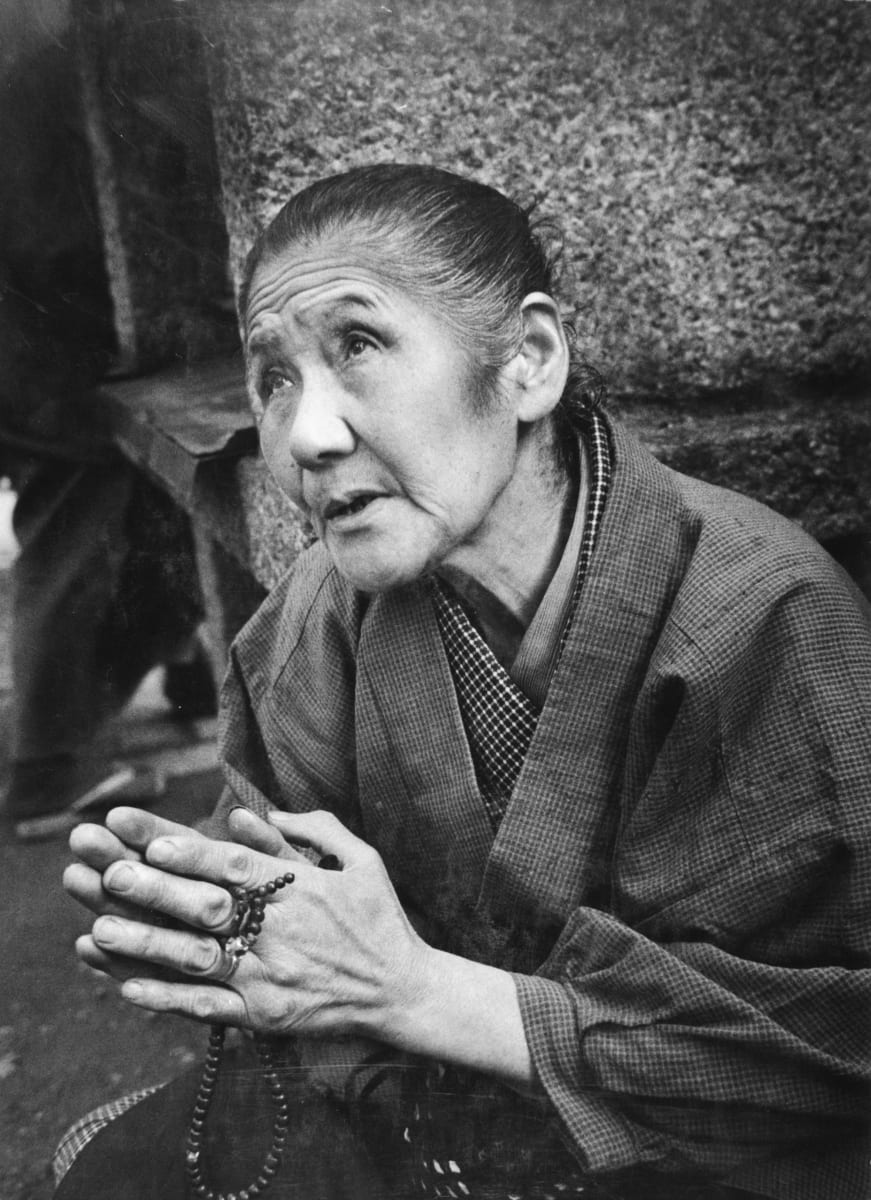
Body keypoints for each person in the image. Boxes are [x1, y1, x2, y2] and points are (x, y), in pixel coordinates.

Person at [60, 165, 871, 1200]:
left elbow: (832, 1048)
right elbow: (292, 912)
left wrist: (418, 991)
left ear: (528, 362)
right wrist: (227, 938)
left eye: (358, 347)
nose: (307, 437)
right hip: (426, 1116)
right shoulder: (321, 611)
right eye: (274, 378)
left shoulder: (764, 615)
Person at [0, 37, 216, 840]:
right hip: (46, 348)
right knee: (75, 525)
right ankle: (48, 770)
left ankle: (187, 671)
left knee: (136, 510)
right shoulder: (42, 43)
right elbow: (54, 235)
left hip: (35, 336)